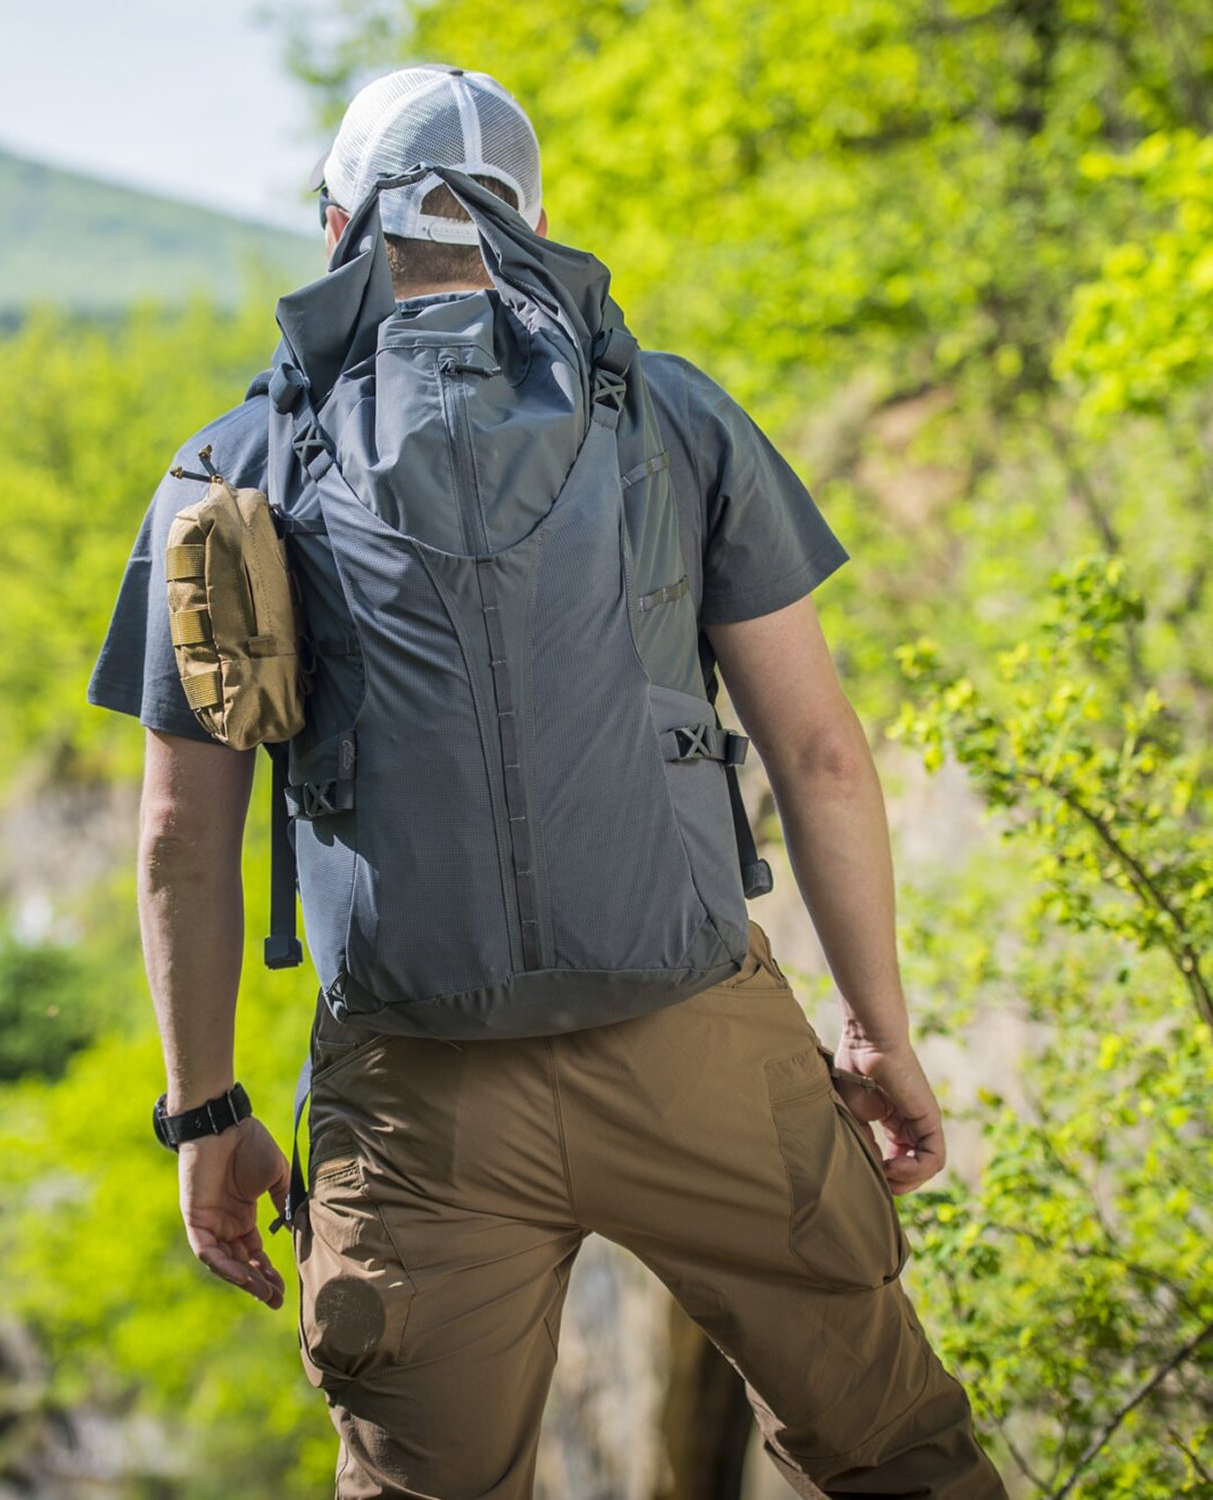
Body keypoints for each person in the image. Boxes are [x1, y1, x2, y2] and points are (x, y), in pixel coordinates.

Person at [88, 64, 1007, 1500]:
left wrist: (207, 1114)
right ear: (526, 220)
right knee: (897, 1458)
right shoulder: (671, 413)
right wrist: (876, 1028)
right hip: (702, 1048)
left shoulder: (234, 465)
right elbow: (819, 751)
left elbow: (177, 841)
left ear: (337, 224)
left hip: (418, 1102)